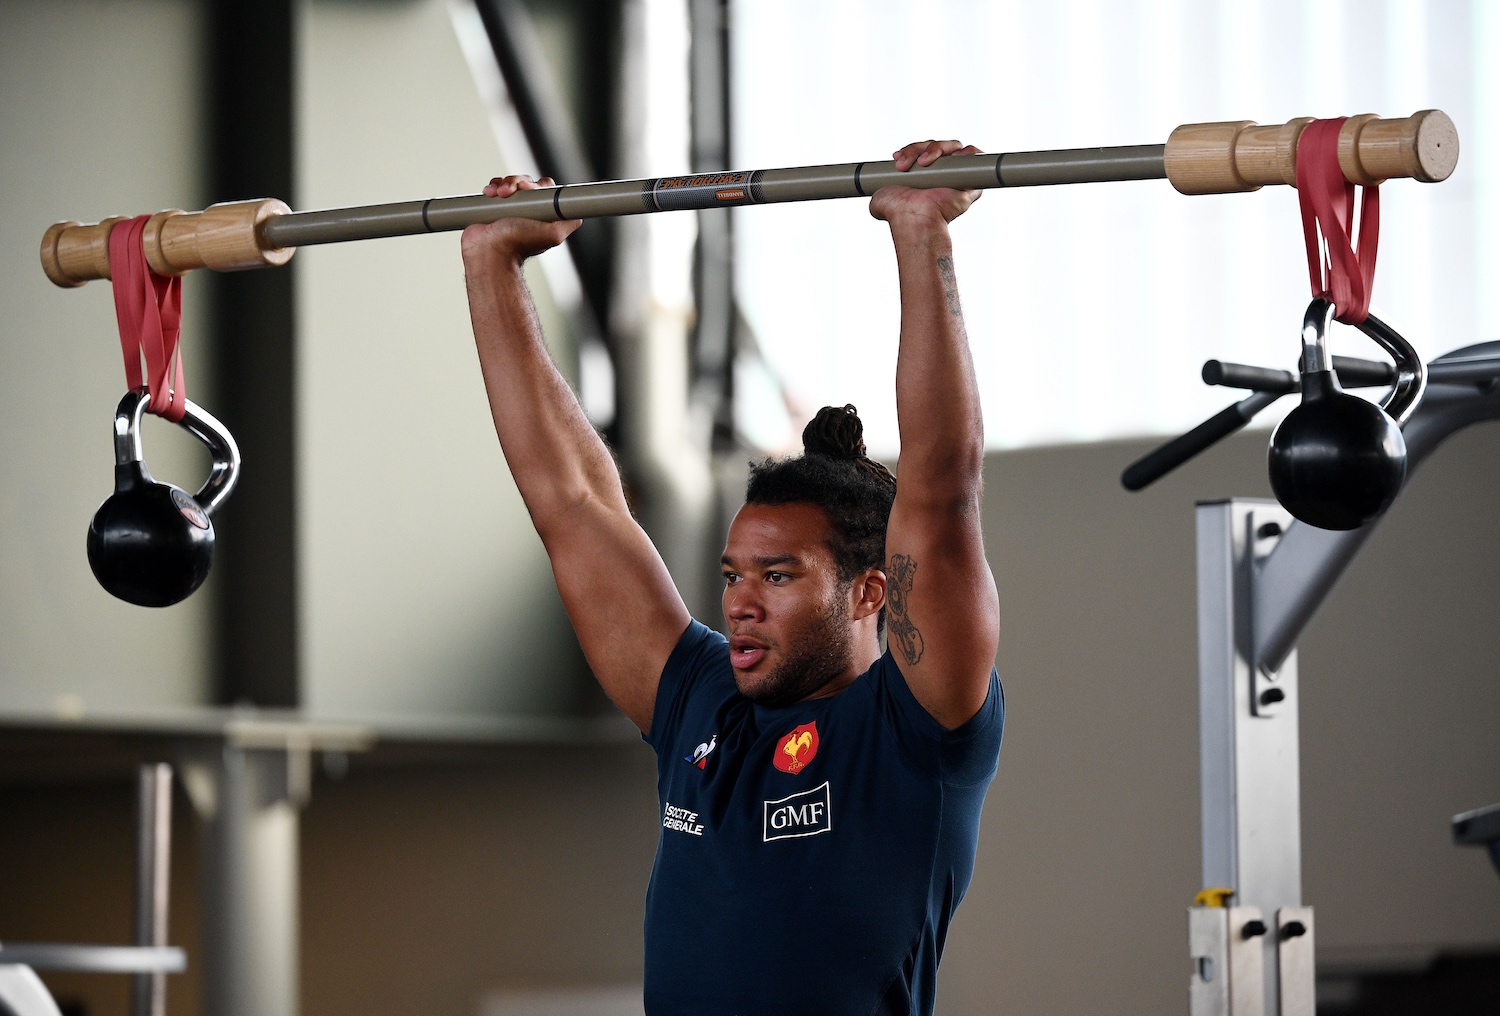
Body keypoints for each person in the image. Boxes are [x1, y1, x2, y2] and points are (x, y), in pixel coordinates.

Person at [461, 139, 1003, 1015]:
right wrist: (491, 263)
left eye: (779, 576)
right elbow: (572, 504)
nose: (740, 603)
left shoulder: (913, 731)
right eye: (732, 574)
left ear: (872, 591)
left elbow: (941, 496)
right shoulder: (698, 704)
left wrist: (920, 230)